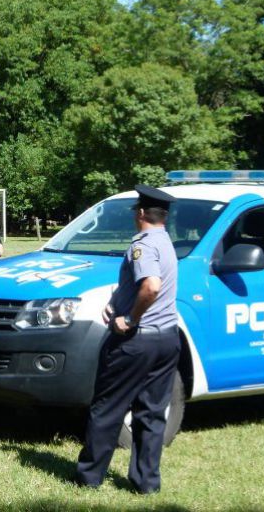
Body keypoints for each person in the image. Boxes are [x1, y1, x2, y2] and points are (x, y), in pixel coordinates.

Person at [75, 184, 180, 494]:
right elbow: (141, 286)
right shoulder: (165, 242)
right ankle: (146, 482)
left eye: (136, 210)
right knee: (151, 412)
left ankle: (89, 476)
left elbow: (151, 286)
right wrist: (117, 300)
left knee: (107, 407)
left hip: (137, 341)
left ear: (142, 213)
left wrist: (130, 318)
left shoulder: (143, 244)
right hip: (166, 338)